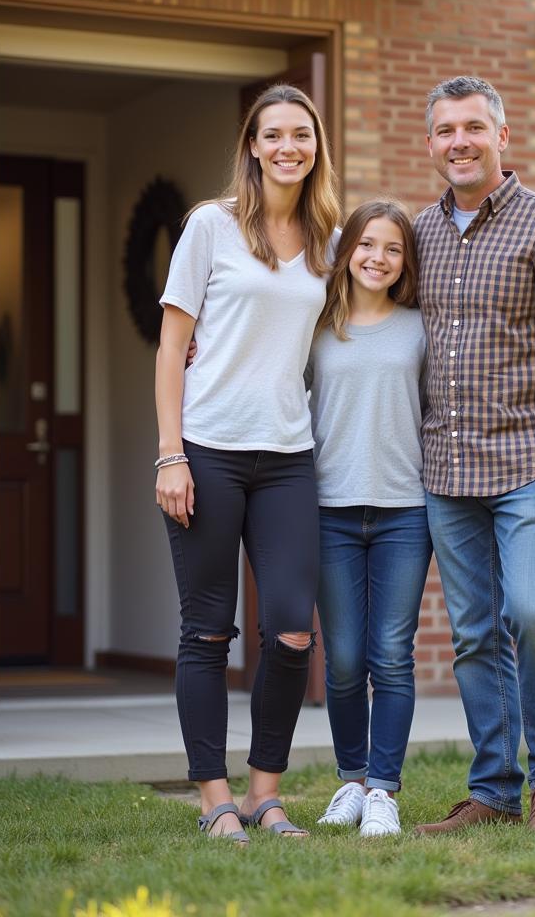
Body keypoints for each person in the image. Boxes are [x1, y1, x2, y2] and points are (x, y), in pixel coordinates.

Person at [412, 76, 535, 834]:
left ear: (503, 135)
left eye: (472, 127)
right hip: (446, 469)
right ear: (430, 144)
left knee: (531, 612)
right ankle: (493, 789)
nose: (458, 141)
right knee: (472, 632)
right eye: (444, 130)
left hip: (531, 460)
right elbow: (358, 314)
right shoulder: (418, 235)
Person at [155, 83, 340, 843]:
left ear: (315, 146)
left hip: (289, 455)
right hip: (206, 449)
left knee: (294, 629)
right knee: (206, 631)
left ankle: (266, 794)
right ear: (254, 147)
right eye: (274, 135)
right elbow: (172, 345)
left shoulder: (329, 238)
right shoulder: (211, 227)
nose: (289, 146)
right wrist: (170, 454)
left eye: (302, 134)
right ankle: (213, 800)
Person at [308, 199, 431, 838]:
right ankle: (350, 782)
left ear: (405, 261)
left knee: (391, 654)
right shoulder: (317, 325)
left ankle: (383, 788)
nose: (378, 258)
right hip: (329, 510)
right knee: (346, 657)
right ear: (345, 249)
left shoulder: (419, 328)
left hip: (405, 511)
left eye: (392, 249)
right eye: (367, 245)